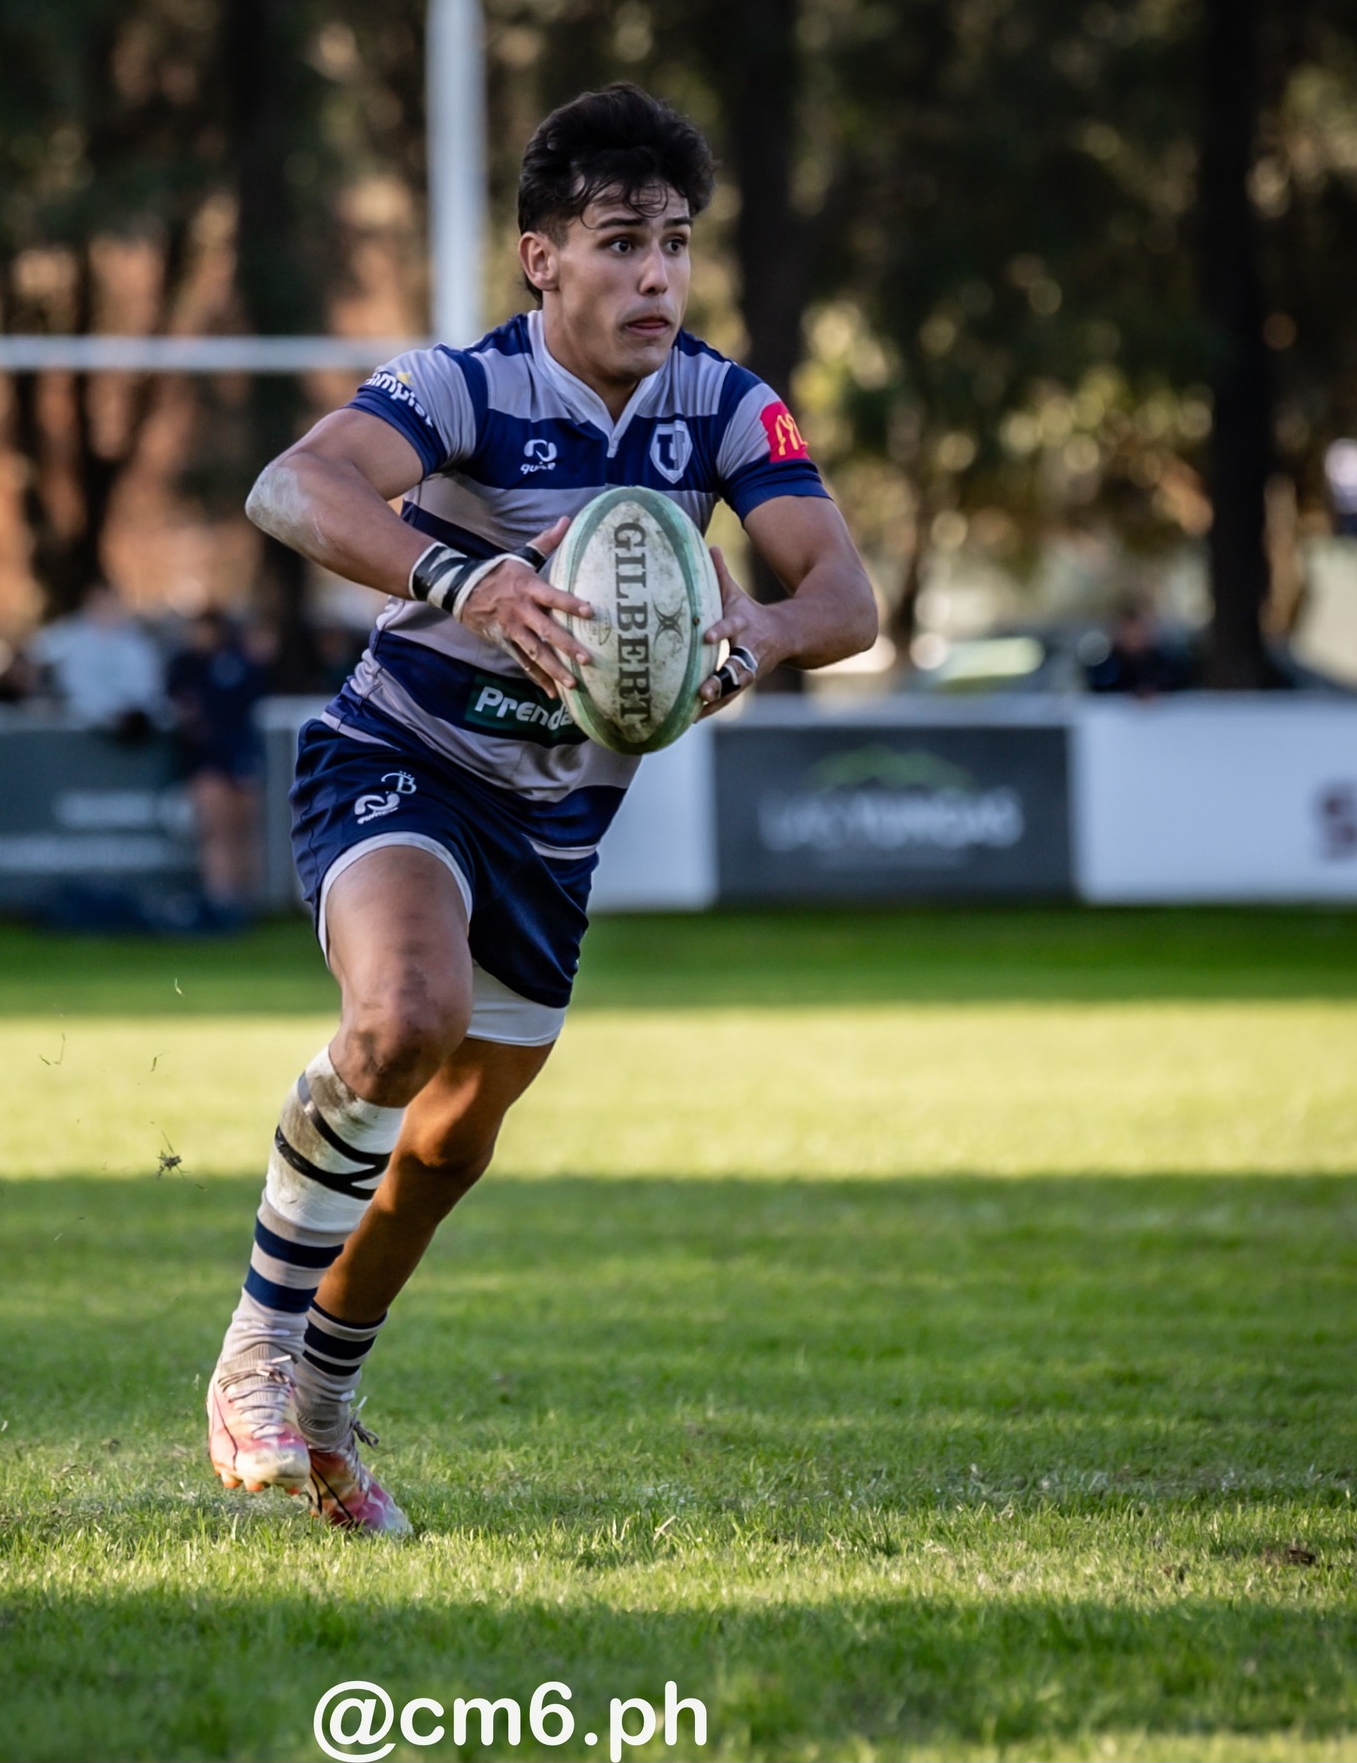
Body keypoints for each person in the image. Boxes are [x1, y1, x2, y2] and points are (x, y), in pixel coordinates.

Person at [204, 84, 877, 1534]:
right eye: (620, 242)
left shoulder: (722, 404)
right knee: (406, 1015)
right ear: (541, 258)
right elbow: (291, 487)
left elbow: (845, 596)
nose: (655, 276)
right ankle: (253, 1351)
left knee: (448, 1147)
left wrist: (752, 636)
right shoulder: (463, 386)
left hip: (556, 829)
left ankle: (323, 1405)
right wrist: (468, 577)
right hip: (401, 757)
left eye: (675, 244)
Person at [167, 609, 270, 919]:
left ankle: (250, 901)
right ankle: (222, 900)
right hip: (206, 758)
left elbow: (251, 699)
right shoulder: (184, 666)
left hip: (240, 755)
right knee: (215, 829)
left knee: (245, 829)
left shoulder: (239, 662)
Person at [29, 581, 163, 739]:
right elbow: (35, 654)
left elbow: (147, 685)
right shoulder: (70, 634)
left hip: (130, 718)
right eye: (99, 602)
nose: (105, 608)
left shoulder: (137, 642)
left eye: (109, 602)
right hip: (81, 721)